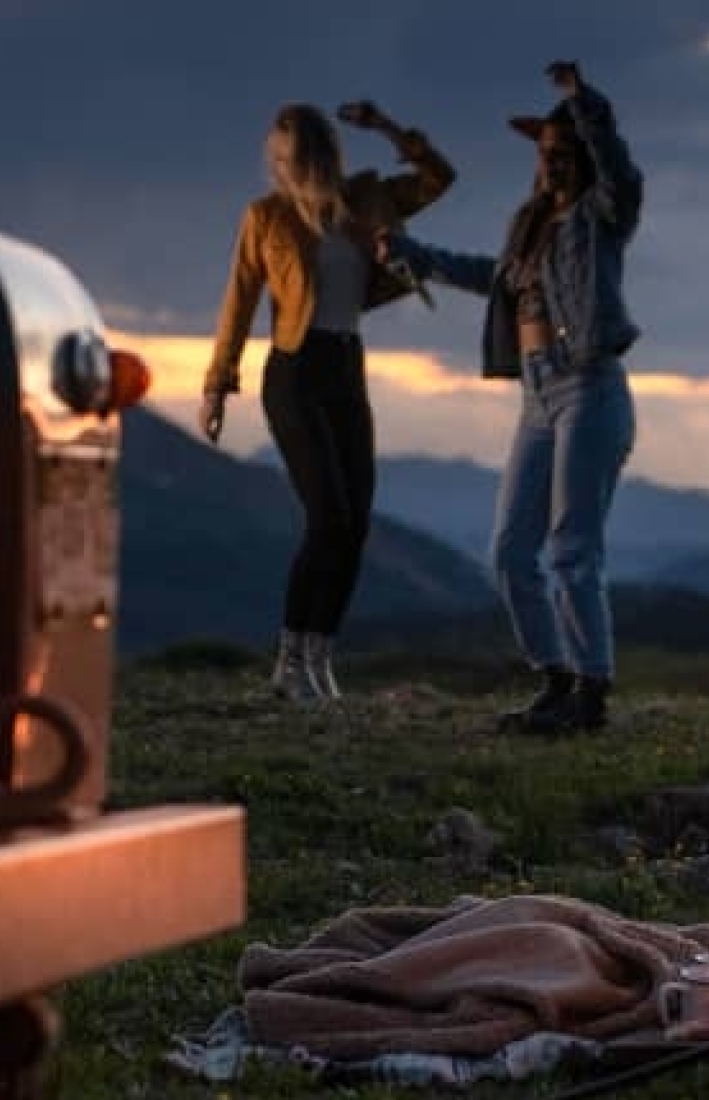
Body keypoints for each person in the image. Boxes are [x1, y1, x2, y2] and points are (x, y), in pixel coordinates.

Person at [379, 61, 642, 736]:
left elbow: (621, 173)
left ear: (582, 153)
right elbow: (493, 281)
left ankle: (591, 691)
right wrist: (418, 254)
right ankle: (554, 679)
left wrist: (585, 103)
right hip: (537, 393)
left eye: (562, 154)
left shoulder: (600, 215)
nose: (551, 165)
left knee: (571, 548)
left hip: (589, 383)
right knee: (509, 549)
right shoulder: (529, 223)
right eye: (545, 155)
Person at [201, 100, 453, 703]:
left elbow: (438, 179)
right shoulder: (265, 218)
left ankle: (320, 655)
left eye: (295, 157)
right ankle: (289, 660)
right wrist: (217, 384)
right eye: (278, 158)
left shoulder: (367, 200)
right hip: (294, 371)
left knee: (356, 522)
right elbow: (237, 301)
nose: (284, 168)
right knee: (328, 518)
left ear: (322, 155)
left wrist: (391, 129)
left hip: (346, 364)